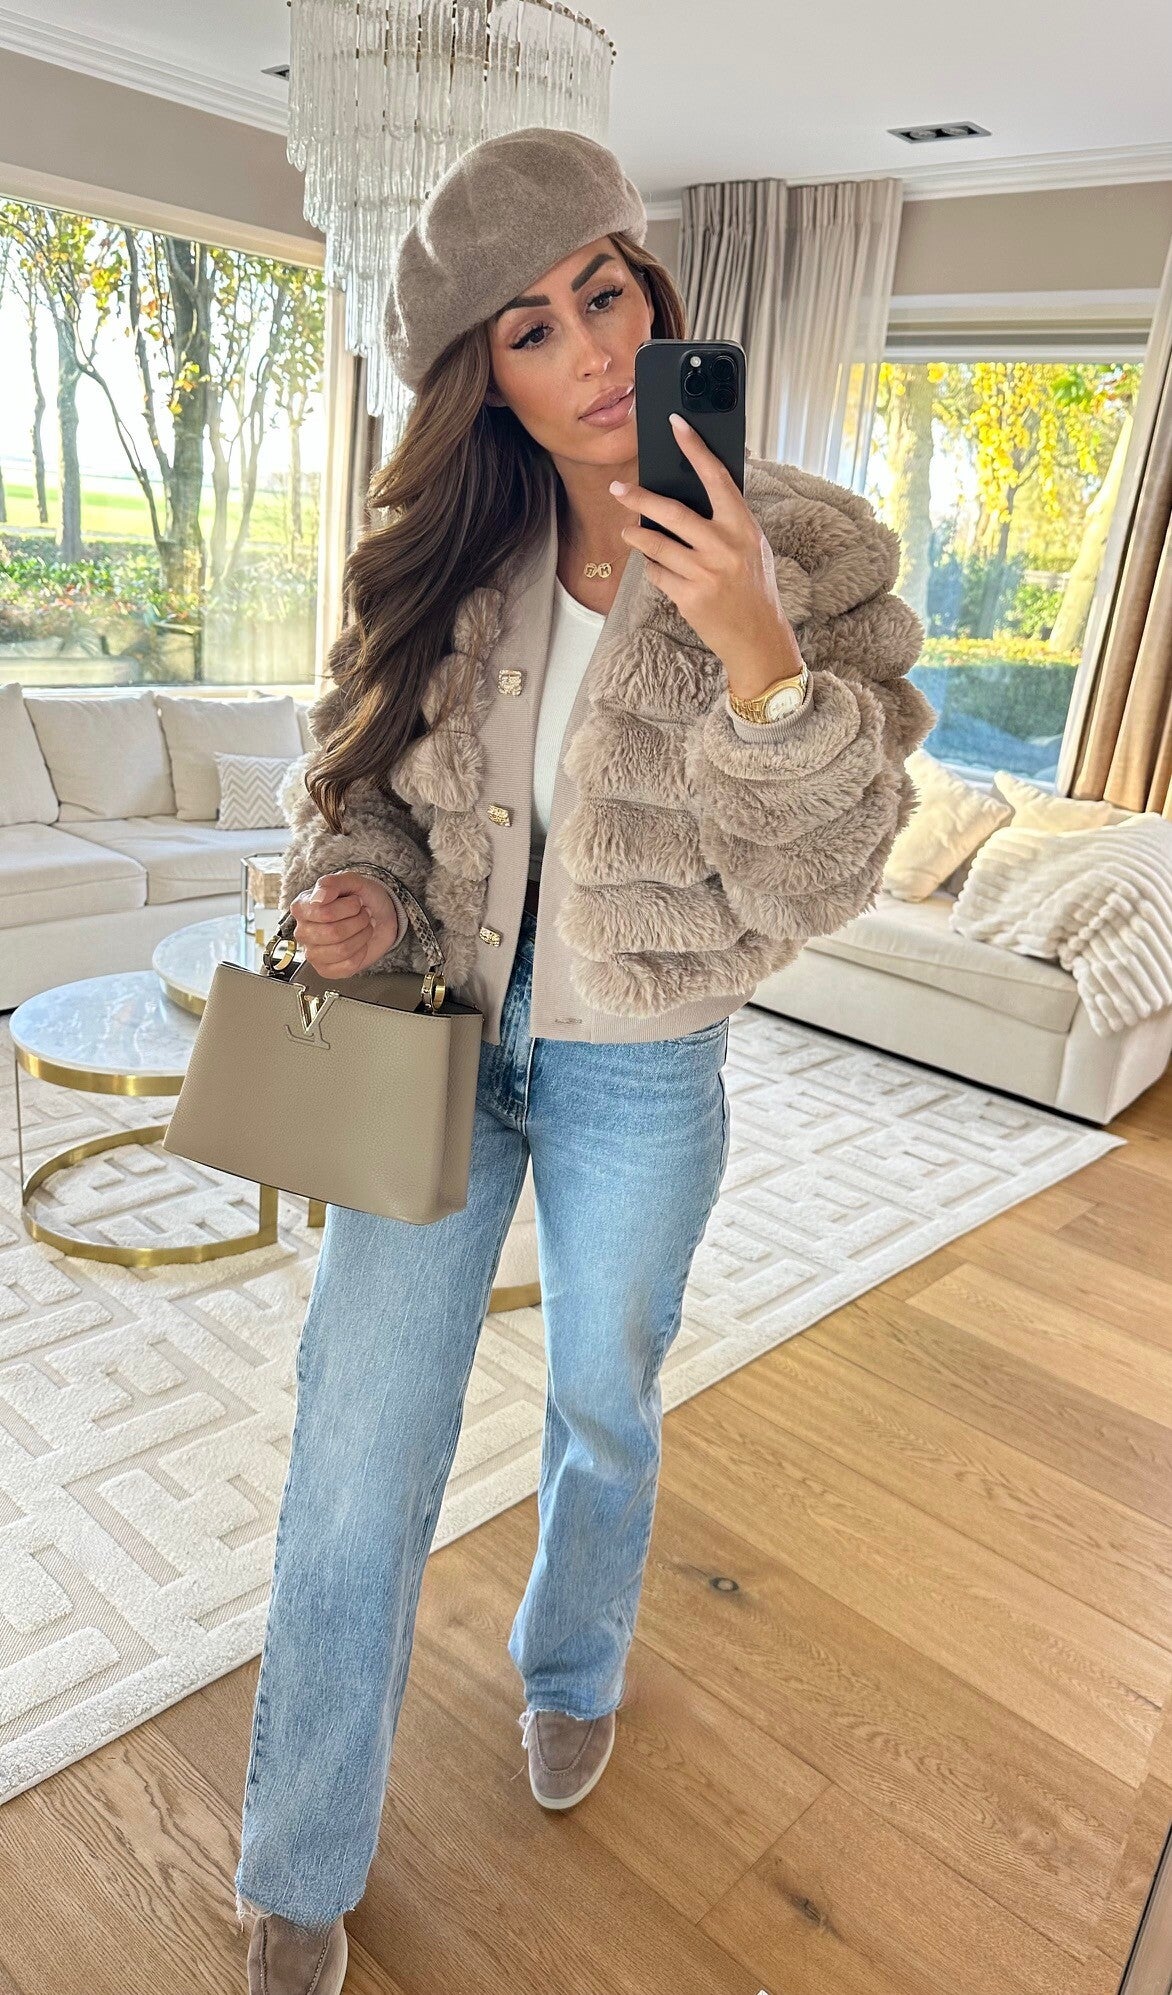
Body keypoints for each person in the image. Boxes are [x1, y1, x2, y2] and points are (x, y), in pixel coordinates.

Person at [233, 125, 933, 1994]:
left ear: (652, 292)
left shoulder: (806, 555)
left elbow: (821, 883)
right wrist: (359, 905)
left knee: (604, 1402)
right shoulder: (458, 558)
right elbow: (359, 803)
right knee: (358, 1452)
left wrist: (762, 657)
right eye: (532, 330)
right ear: (490, 380)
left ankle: (571, 1666)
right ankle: (297, 1860)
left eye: (603, 296)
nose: (592, 352)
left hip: (644, 1067)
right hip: (438, 1048)